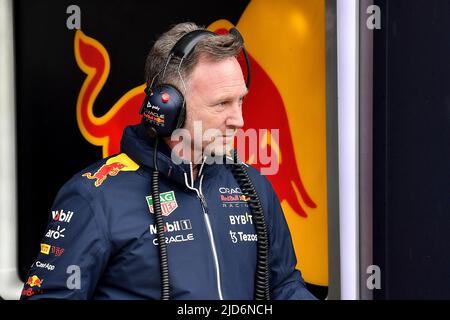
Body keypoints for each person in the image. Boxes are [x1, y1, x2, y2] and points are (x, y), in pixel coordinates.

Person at [20, 22, 316, 300]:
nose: (239, 120)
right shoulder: (94, 197)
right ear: (168, 106)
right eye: (222, 104)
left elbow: (284, 285)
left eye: (241, 101)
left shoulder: (253, 187)